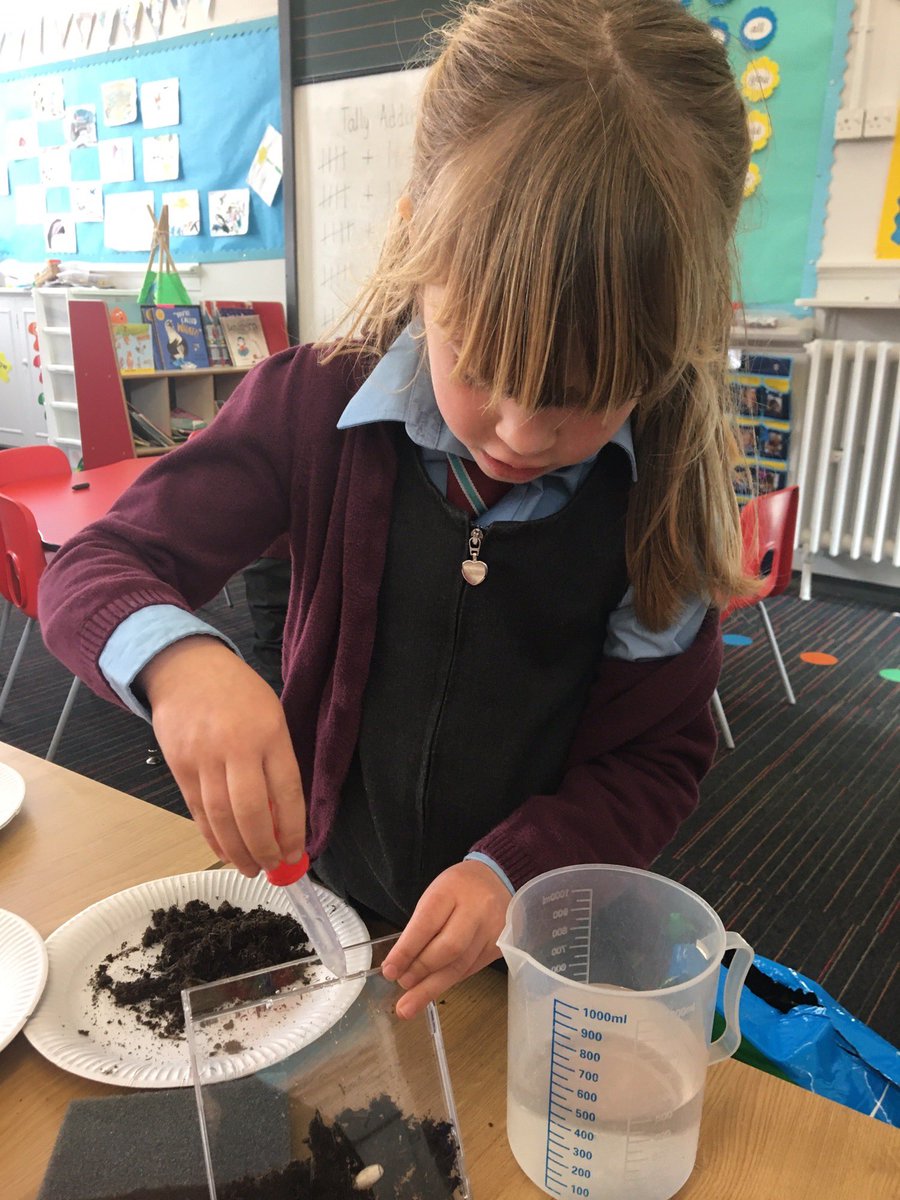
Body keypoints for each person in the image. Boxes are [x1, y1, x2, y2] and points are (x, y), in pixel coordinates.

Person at [40, 0, 754, 1020]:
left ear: (679, 331)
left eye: (585, 395)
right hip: (323, 912)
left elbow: (656, 757)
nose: (519, 432)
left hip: (527, 945)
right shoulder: (309, 404)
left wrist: (514, 871)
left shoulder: (660, 503)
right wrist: (179, 662)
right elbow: (91, 569)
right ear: (419, 240)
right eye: (484, 364)